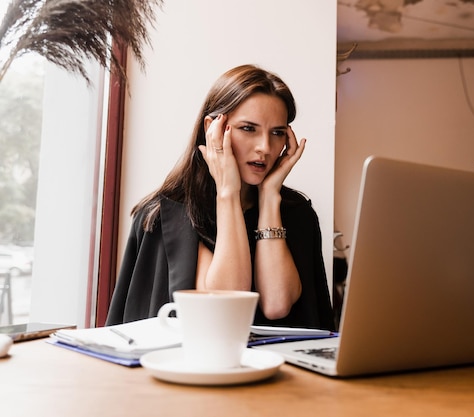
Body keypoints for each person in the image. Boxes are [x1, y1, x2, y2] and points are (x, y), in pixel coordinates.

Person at [106, 64, 335, 330]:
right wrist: (228, 192)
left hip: (282, 370)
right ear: (213, 127)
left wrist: (270, 197)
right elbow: (227, 306)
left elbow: (277, 304)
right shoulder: (167, 215)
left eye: (277, 133)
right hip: (192, 369)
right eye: (249, 128)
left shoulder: (297, 214)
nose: (265, 147)